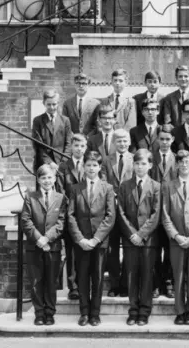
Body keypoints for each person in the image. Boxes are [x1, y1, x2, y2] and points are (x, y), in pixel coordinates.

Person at [67, 150, 116, 327]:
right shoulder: (75, 188)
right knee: (82, 278)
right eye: (88, 165)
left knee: (98, 278)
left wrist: (96, 239)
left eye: (95, 165)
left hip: (99, 241)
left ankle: (95, 313)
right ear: (83, 166)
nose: (91, 168)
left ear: (100, 167)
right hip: (81, 242)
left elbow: (110, 216)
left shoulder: (107, 188)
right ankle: (84, 312)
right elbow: (70, 215)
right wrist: (80, 239)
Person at [161, 149, 189, 326]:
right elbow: (165, 214)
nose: (184, 165)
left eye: (187, 161)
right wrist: (175, 235)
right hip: (177, 239)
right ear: (177, 164)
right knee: (178, 275)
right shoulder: (168, 185)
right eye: (180, 162)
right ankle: (179, 310)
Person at [118, 149, 161, 326]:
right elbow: (120, 212)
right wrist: (132, 234)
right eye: (137, 163)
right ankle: (133, 309)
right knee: (131, 275)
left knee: (147, 275)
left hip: (149, 240)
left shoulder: (156, 186)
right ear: (133, 165)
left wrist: (142, 234)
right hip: (130, 240)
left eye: (143, 163)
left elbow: (156, 214)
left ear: (150, 165)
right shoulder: (124, 186)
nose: (140, 167)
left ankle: (144, 311)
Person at [21, 164, 66, 326]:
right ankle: (39, 313)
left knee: (51, 281)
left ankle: (49, 313)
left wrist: (47, 238)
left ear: (54, 179)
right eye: (43, 177)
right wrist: (39, 239)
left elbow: (61, 222)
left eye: (49, 177)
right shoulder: (30, 197)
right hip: (35, 247)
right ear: (38, 180)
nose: (47, 181)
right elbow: (26, 220)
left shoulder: (61, 198)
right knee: (37, 281)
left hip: (53, 247)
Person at [100, 129, 135, 298]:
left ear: (129, 142)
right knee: (113, 249)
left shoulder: (135, 159)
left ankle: (127, 284)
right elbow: (104, 181)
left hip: (129, 210)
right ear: (114, 142)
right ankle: (114, 284)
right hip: (112, 208)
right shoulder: (107, 160)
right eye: (119, 140)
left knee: (129, 248)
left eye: (125, 140)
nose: (122, 143)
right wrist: (112, 196)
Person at [55, 133, 88, 300]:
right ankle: (73, 286)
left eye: (82, 146)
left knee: (87, 250)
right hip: (71, 214)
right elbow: (60, 191)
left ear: (86, 147)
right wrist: (72, 209)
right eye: (76, 146)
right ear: (71, 147)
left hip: (88, 215)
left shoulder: (90, 164)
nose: (79, 149)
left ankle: (85, 284)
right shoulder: (63, 167)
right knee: (72, 251)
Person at [149, 124, 178, 299]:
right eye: (162, 139)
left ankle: (168, 282)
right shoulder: (151, 159)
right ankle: (155, 283)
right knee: (154, 249)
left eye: (168, 139)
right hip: (153, 211)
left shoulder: (177, 159)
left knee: (169, 250)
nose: (165, 142)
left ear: (173, 140)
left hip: (171, 212)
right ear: (157, 139)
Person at [31, 89, 73, 174]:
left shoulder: (65, 121)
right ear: (44, 103)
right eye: (48, 104)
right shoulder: (38, 121)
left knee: (62, 187)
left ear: (58, 103)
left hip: (62, 164)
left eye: (54, 104)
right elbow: (38, 145)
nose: (52, 107)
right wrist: (50, 162)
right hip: (44, 164)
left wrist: (63, 162)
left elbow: (69, 143)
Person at [88, 69, 137, 134]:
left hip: (122, 138)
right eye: (115, 80)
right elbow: (100, 121)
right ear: (111, 82)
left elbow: (131, 123)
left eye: (120, 81)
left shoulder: (130, 102)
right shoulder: (105, 101)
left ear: (126, 82)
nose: (117, 83)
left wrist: (121, 136)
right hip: (107, 136)